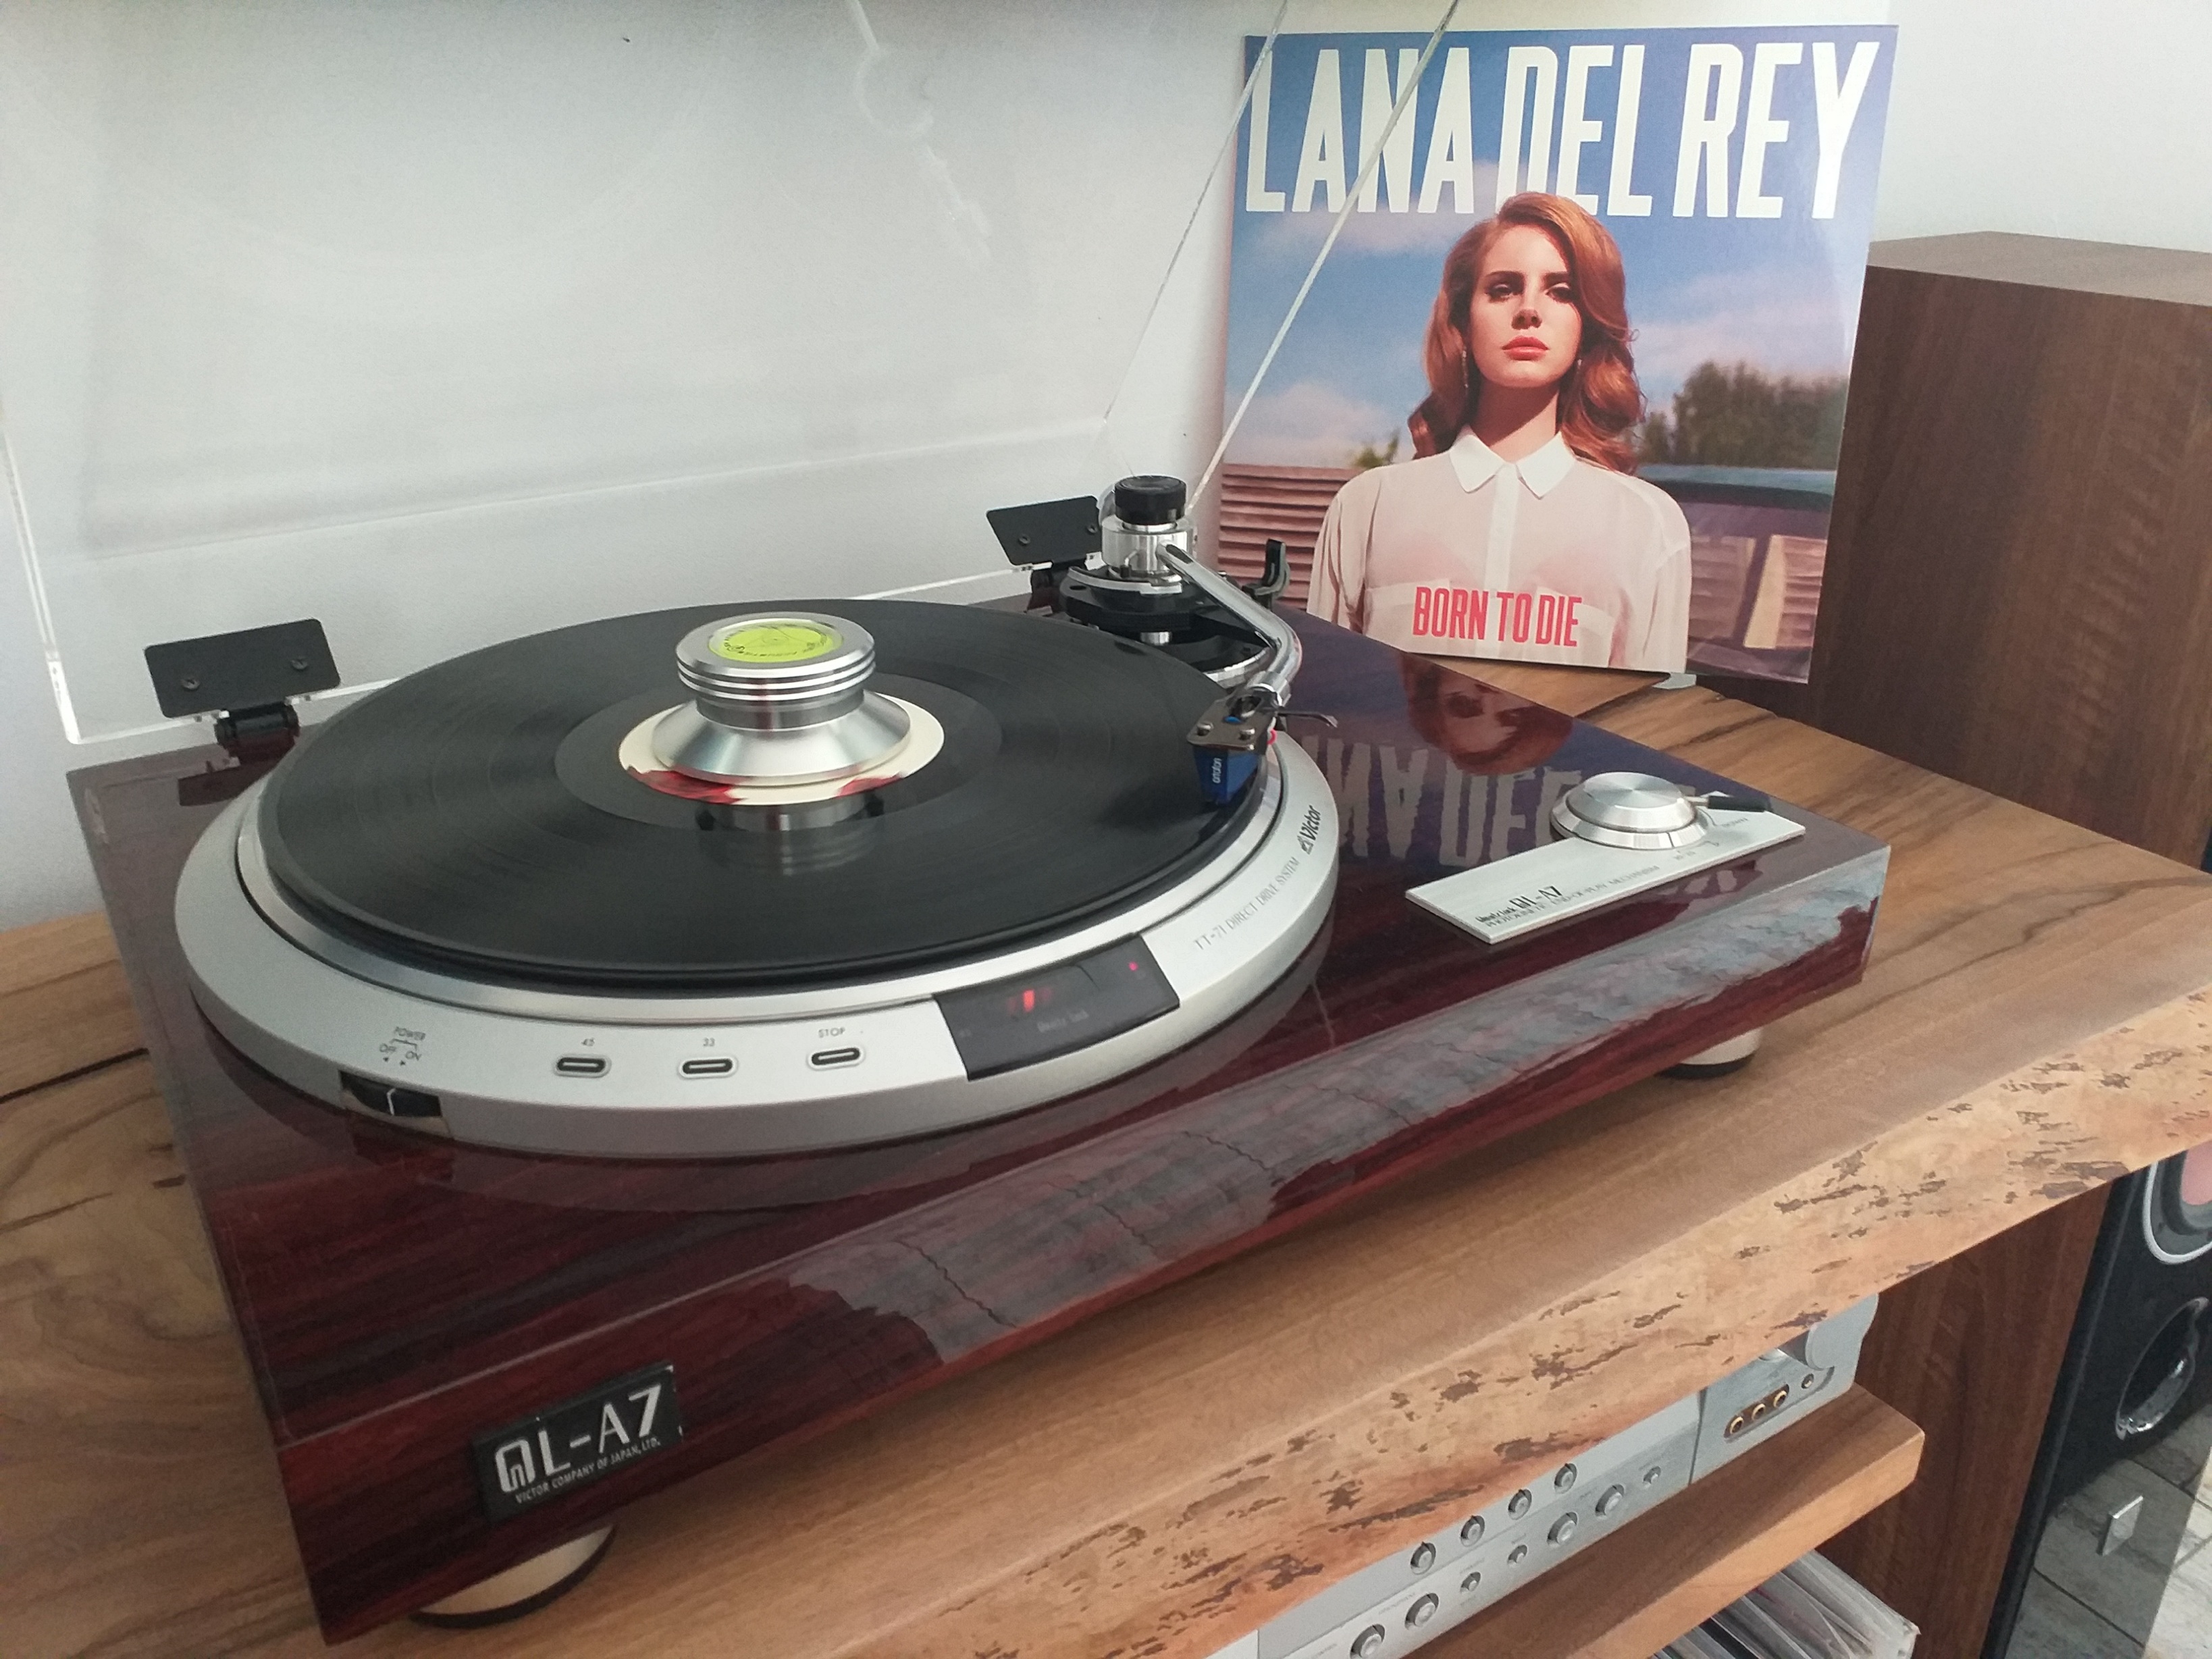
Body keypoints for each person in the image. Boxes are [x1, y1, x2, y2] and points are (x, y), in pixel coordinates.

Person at [1307, 193, 1691, 673]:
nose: (1529, 310)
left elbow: (1645, 714)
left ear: (1587, 327)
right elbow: (1325, 698)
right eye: (1504, 289)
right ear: (1463, 321)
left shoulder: (1648, 525)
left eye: (1561, 292)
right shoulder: (1368, 507)